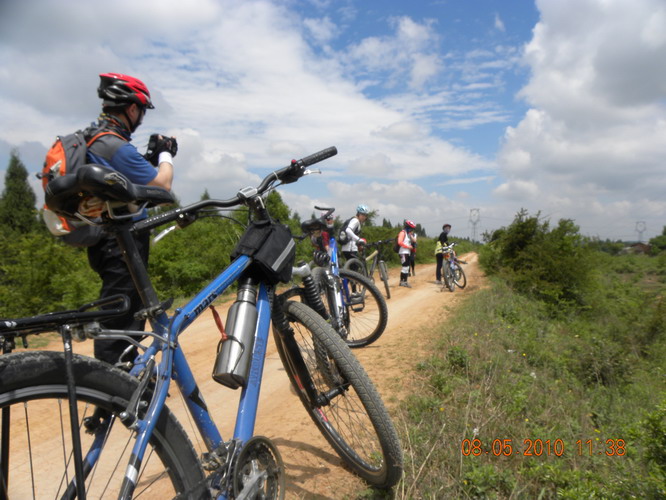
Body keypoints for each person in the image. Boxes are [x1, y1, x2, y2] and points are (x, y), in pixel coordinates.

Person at [85, 73, 176, 366]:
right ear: (132, 108)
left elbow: (130, 188)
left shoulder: (98, 141)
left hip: (107, 240)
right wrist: (166, 154)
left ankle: (124, 374)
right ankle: (115, 382)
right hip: (119, 242)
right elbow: (162, 187)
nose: (141, 118)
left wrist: (148, 159)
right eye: (142, 111)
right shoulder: (113, 145)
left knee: (127, 313)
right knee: (121, 320)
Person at [397, 220, 417, 288]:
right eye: (411, 228)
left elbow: (414, 241)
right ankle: (402, 282)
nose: (412, 230)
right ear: (408, 227)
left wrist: (411, 236)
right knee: (404, 267)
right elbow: (399, 242)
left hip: (407, 252)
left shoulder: (408, 234)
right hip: (403, 252)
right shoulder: (402, 233)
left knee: (407, 267)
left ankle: (404, 281)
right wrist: (408, 247)